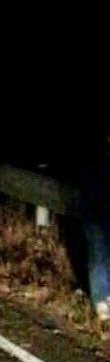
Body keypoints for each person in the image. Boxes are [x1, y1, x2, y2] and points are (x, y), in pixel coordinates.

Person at [80, 124, 110, 319]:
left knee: (104, 257)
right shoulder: (96, 159)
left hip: (102, 214)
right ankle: (100, 299)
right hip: (95, 215)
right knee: (98, 256)